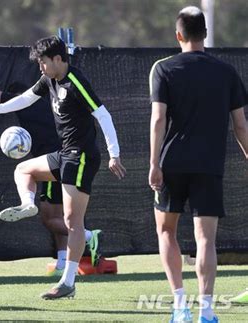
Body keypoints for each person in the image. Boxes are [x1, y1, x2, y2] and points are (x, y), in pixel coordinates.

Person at [0, 36, 126, 299]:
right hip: (64, 154)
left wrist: (114, 154)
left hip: (81, 158)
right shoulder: (49, 80)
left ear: (58, 59)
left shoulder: (75, 81)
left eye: (43, 63)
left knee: (71, 222)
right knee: (23, 170)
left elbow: (103, 115)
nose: (41, 68)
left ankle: (67, 282)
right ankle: (29, 204)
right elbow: (24, 99)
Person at [149, 6, 248, 323]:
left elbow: (158, 120)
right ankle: (206, 311)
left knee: (166, 232)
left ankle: (180, 306)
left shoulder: (163, 69)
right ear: (204, 34)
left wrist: (153, 163)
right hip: (209, 166)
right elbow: (241, 126)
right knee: (206, 239)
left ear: (178, 35)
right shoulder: (227, 72)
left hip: (171, 165)